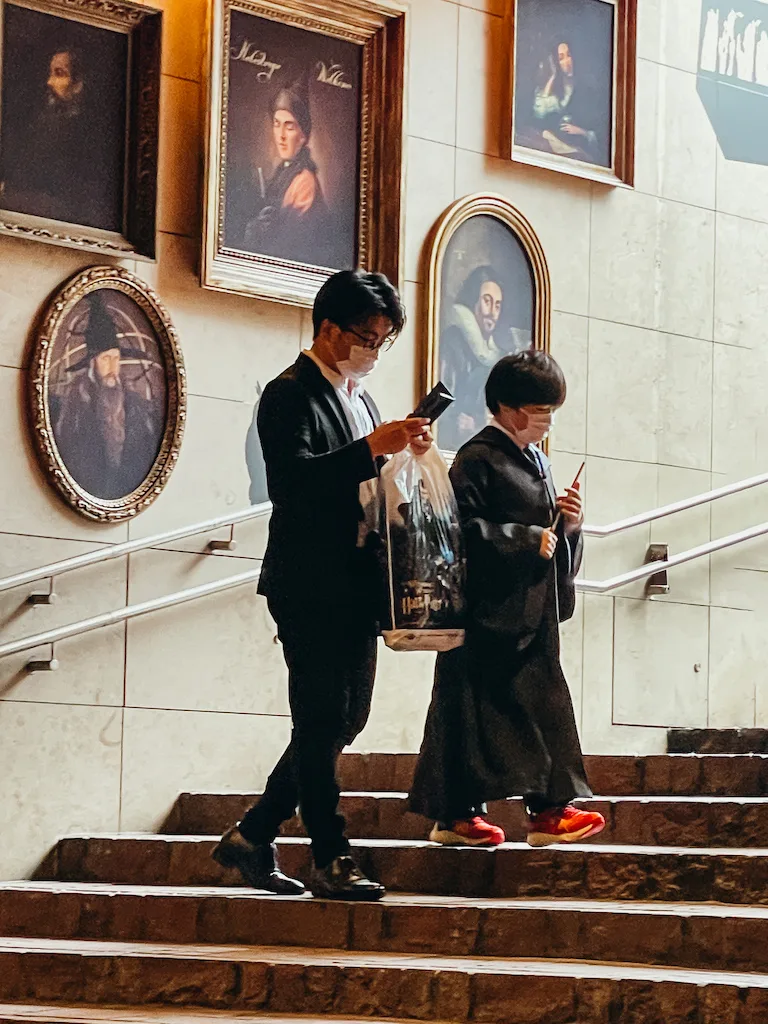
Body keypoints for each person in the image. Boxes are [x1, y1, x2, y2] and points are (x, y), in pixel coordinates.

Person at [213, 269, 431, 900]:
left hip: (359, 581)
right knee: (318, 717)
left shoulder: (359, 396)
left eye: (383, 339)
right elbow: (292, 486)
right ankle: (331, 854)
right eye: (367, 336)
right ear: (329, 327)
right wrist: (370, 449)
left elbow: (360, 481)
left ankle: (252, 835)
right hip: (307, 582)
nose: (373, 349)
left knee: (345, 718)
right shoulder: (289, 393)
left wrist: (396, 453)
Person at [409, 350, 605, 848]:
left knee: (542, 707)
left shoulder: (535, 459)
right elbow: (457, 529)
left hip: (528, 610)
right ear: (510, 408)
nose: (546, 422)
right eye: (541, 411)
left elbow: (550, 537)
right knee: (467, 712)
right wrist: (523, 538)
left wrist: (571, 524)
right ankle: (457, 815)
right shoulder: (477, 457)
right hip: (486, 614)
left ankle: (548, 811)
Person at [0, 43, 122, 229]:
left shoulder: (91, 135)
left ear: (79, 83)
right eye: (50, 73)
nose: (49, 82)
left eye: (59, 74)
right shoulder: (42, 122)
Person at [53, 292, 162, 500]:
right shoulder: (74, 405)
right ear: (93, 362)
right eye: (105, 359)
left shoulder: (135, 404)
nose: (113, 367)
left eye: (116, 358)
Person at [243, 76, 335, 267]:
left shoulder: (304, 183)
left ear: (303, 136)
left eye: (289, 126)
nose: (281, 136)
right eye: (277, 124)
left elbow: (290, 245)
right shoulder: (281, 174)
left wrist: (258, 232)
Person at [438, 267, 504, 452]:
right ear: (473, 300)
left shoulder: (498, 352)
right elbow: (443, 396)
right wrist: (460, 421)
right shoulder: (454, 341)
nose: (492, 312)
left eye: (497, 305)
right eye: (487, 301)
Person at [531, 41, 601, 163]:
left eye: (569, 55)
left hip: (580, 145)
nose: (567, 62)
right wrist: (552, 77)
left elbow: (600, 133)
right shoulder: (555, 89)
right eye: (561, 58)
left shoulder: (588, 88)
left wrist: (581, 131)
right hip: (558, 141)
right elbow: (539, 113)